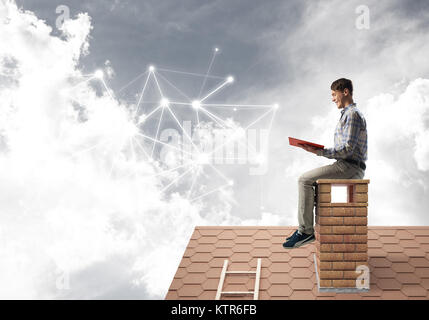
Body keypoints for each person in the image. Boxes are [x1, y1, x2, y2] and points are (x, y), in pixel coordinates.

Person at [283, 78, 368, 249]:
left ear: (345, 92)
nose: (332, 98)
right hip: (346, 165)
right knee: (312, 181)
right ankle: (308, 229)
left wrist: (318, 151)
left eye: (334, 94)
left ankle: (306, 232)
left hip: (349, 166)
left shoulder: (352, 115)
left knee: (304, 180)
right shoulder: (347, 115)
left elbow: (347, 149)